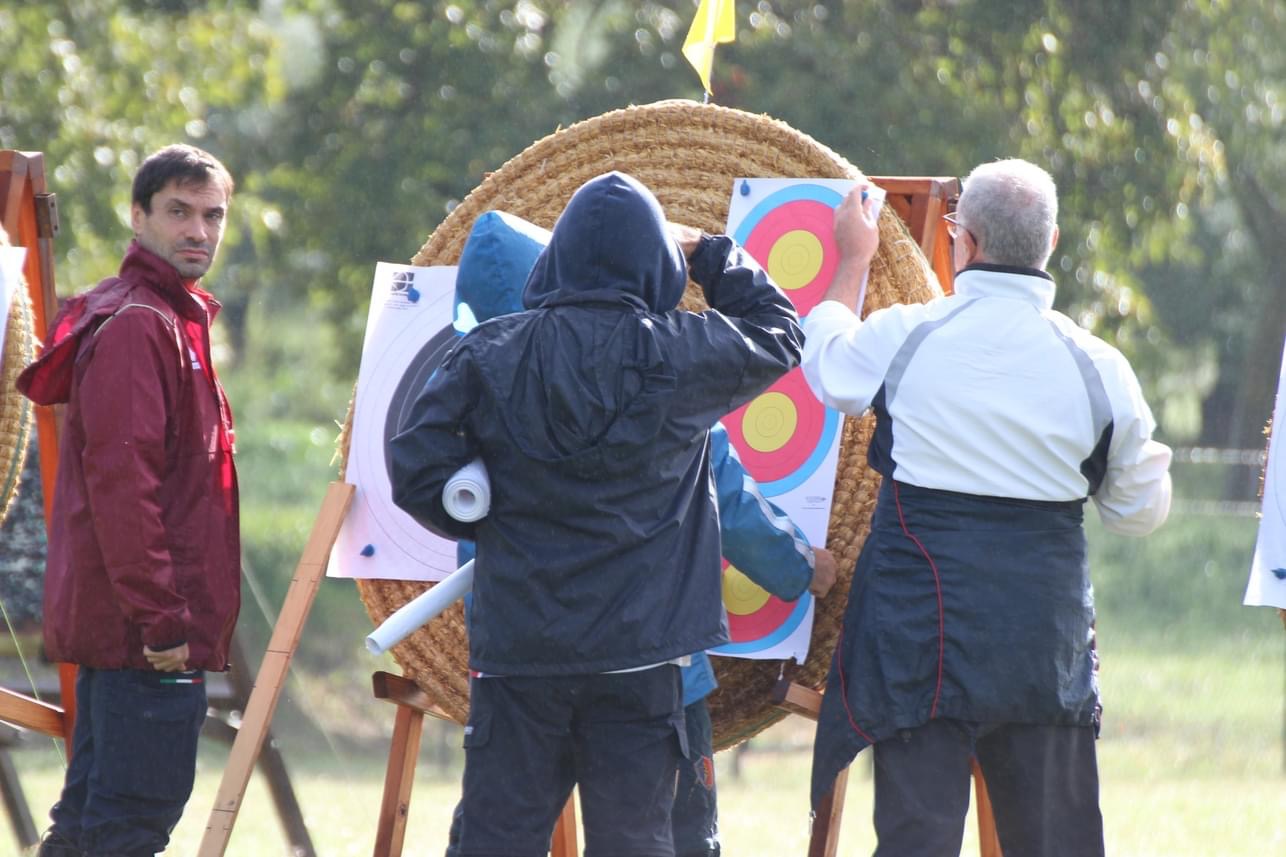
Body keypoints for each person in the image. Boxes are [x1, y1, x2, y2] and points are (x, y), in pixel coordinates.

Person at [389, 171, 803, 856]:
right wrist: (709, 252)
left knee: (495, 844)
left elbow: (417, 467)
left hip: (522, 652)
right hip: (643, 659)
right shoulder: (682, 350)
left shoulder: (487, 351)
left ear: (557, 259)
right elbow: (780, 330)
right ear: (657, 265)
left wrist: (488, 516)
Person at [802, 160, 1172, 856]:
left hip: (917, 643)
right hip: (1039, 647)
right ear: (1051, 242)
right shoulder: (1100, 368)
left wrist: (853, 259)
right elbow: (1138, 512)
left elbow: (825, 366)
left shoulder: (906, 335)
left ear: (962, 240)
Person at [18, 144, 240, 857]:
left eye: (213, 215)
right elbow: (124, 487)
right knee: (126, 829)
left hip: (135, 635)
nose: (198, 230)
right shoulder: (142, 323)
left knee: (91, 829)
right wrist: (162, 618)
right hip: (145, 639)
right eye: (178, 211)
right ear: (138, 216)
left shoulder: (164, 317)